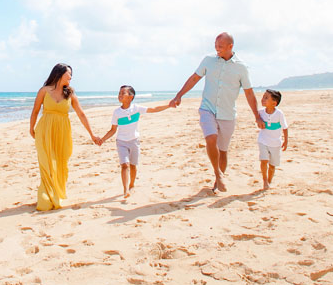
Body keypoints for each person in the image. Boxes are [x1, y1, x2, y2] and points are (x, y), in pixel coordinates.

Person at [170, 32, 263, 193]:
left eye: (220, 46)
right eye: (215, 45)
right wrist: (179, 95)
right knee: (210, 138)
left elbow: (249, 93)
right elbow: (194, 79)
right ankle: (218, 175)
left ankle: (216, 182)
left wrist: (257, 115)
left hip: (227, 113)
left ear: (230, 46)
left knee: (223, 151)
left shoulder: (241, 67)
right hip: (208, 108)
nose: (216, 49)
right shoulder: (208, 61)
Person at [29, 63, 101, 211]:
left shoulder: (70, 93)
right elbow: (35, 111)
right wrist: (31, 128)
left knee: (60, 162)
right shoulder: (44, 91)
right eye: (69, 74)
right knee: (46, 163)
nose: (71, 77)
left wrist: (92, 134)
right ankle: (46, 197)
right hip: (44, 131)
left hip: (62, 133)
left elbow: (81, 114)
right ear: (60, 73)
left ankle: (55, 194)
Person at [99, 85, 173, 199]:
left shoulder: (136, 108)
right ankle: (125, 190)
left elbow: (153, 109)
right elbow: (113, 129)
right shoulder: (116, 112)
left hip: (134, 141)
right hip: (121, 142)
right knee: (124, 165)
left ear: (130, 97)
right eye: (119, 93)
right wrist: (103, 139)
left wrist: (169, 105)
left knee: (133, 166)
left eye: (123, 93)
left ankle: (132, 185)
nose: (119, 95)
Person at [257, 89, 289, 190]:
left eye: (266, 98)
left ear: (274, 103)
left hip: (275, 143)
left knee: (272, 165)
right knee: (263, 160)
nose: (263, 99)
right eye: (263, 96)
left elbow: (285, 127)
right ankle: (265, 181)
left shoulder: (279, 114)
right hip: (263, 140)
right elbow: (258, 121)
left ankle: (269, 181)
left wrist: (286, 141)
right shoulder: (260, 112)